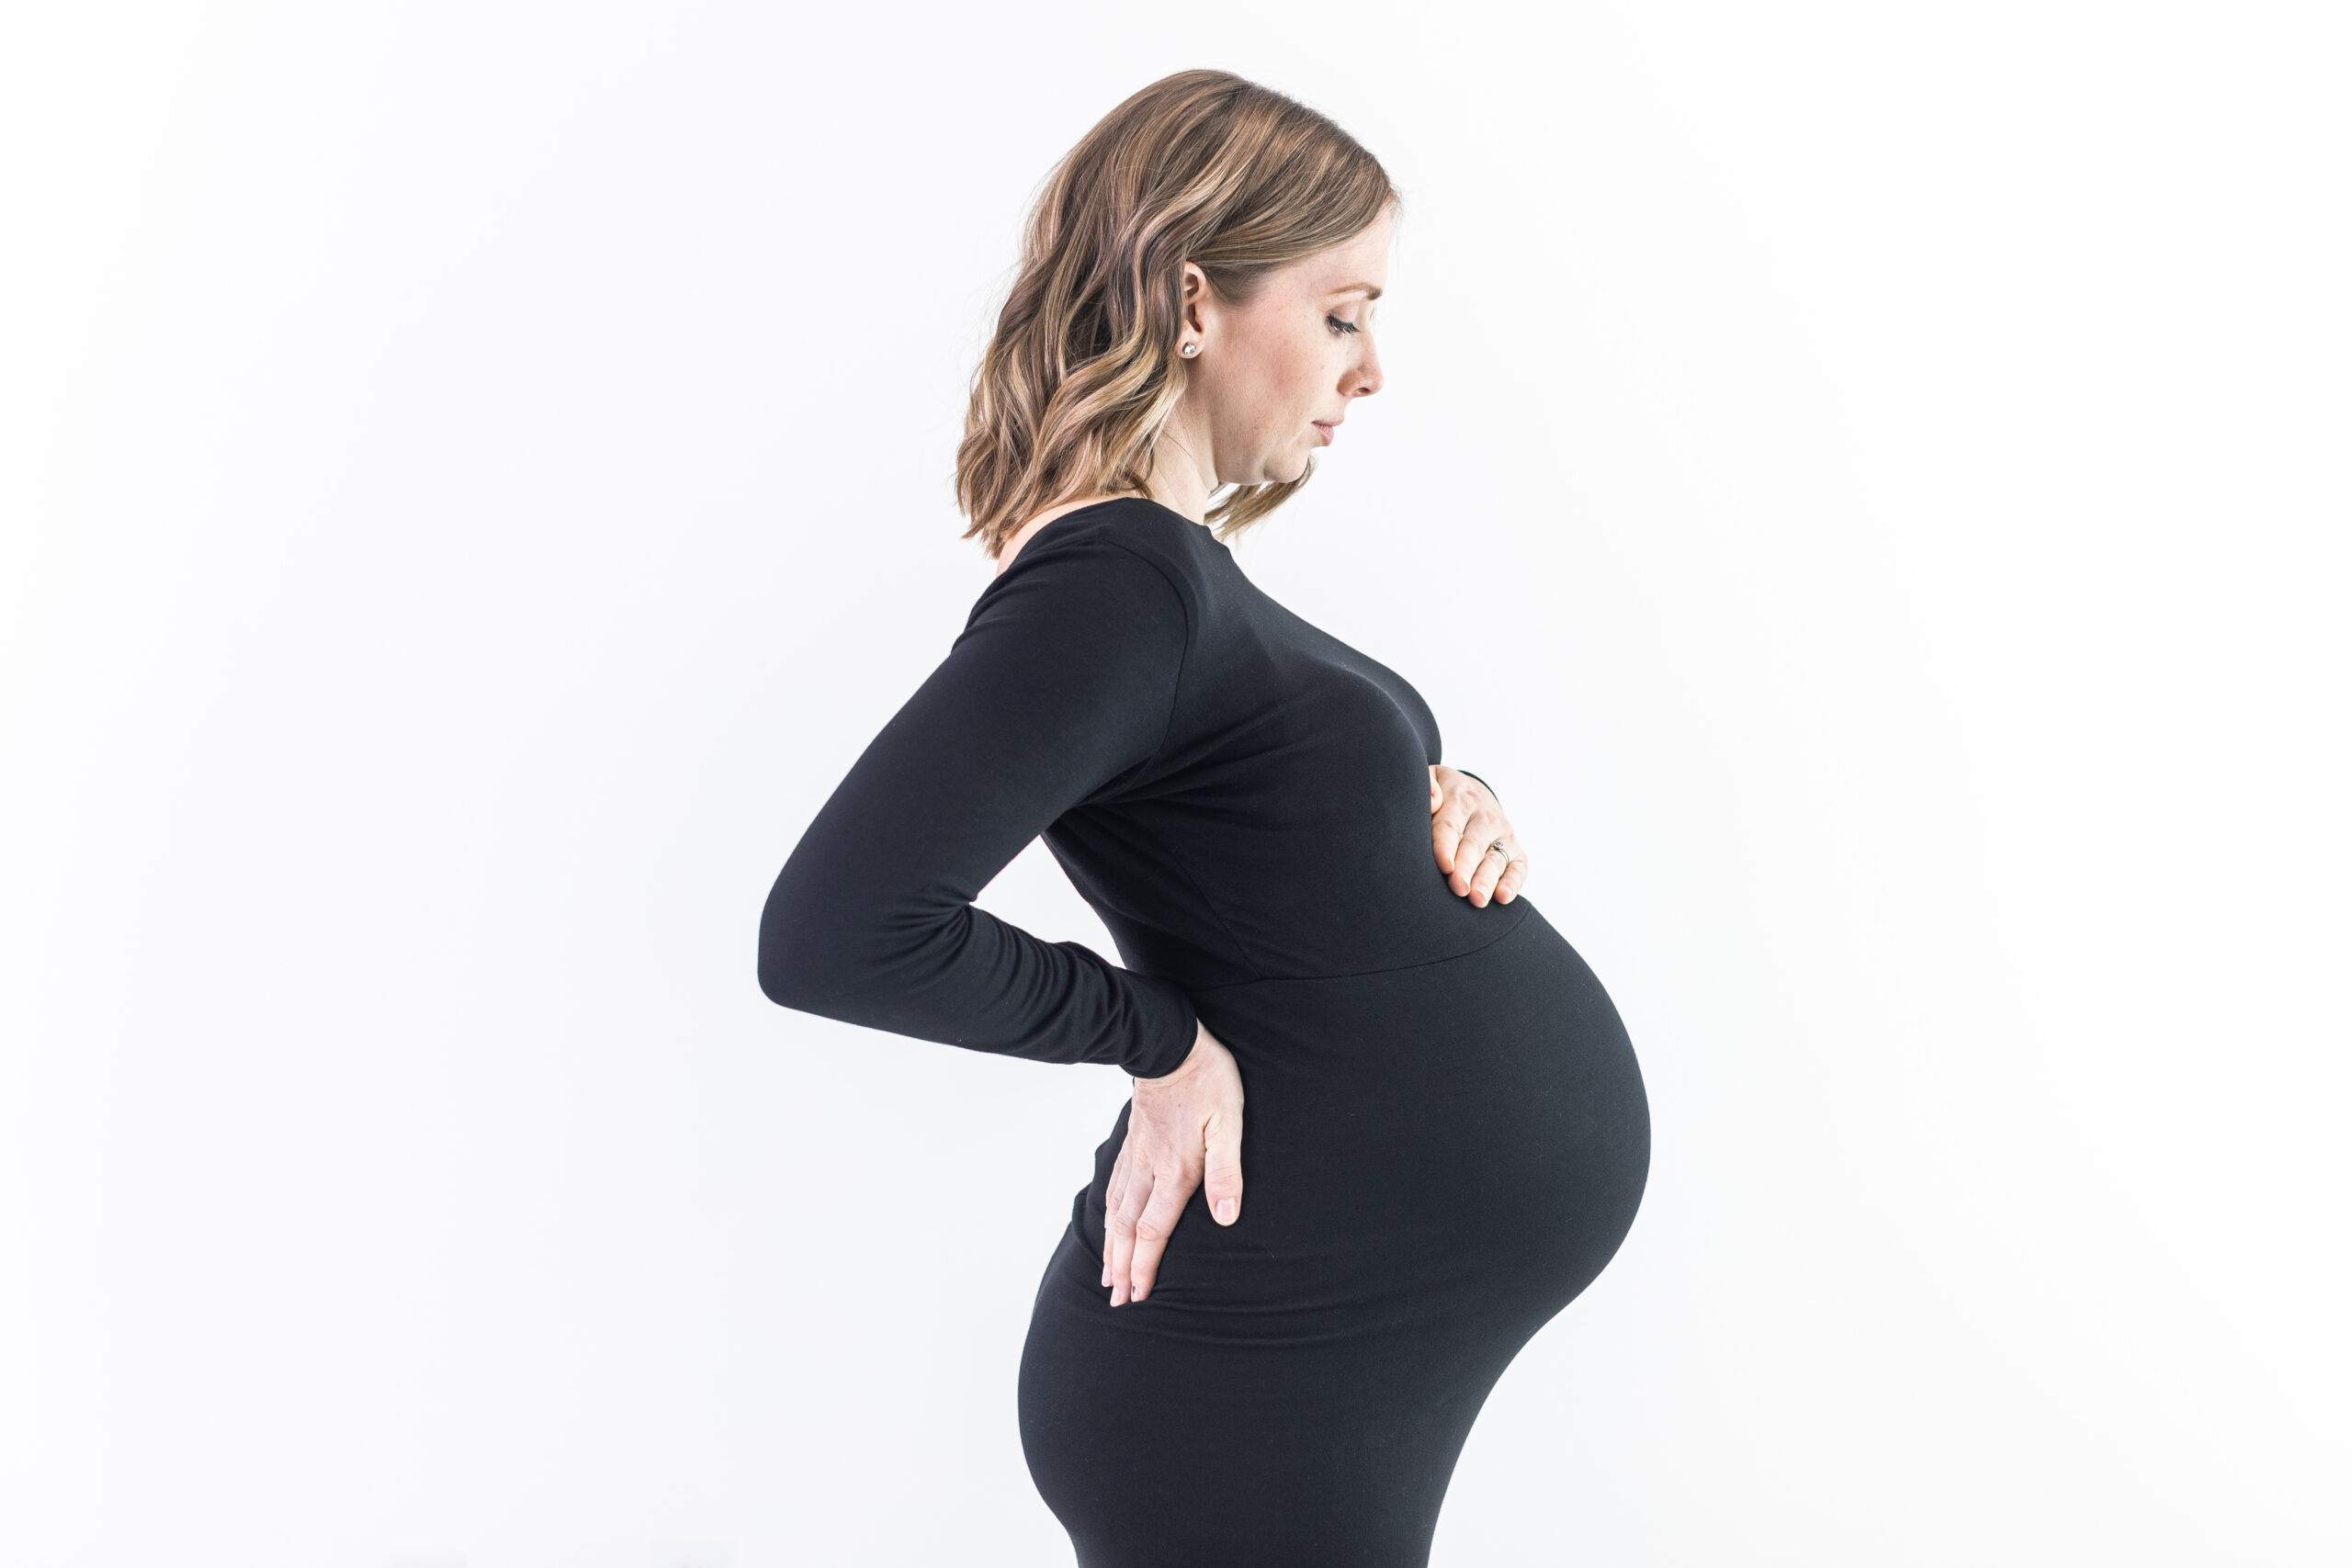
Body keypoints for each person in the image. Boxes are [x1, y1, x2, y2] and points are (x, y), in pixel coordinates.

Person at [759, 68, 1649, 1567]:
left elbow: (1253, 824)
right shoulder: (1120, 585)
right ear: (1192, 301)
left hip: (1322, 1356)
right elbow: (836, 932)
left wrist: (1444, 792)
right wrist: (1154, 1038)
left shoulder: (1164, 580)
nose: (1368, 372)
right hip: (1250, 1373)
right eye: (1344, 310)